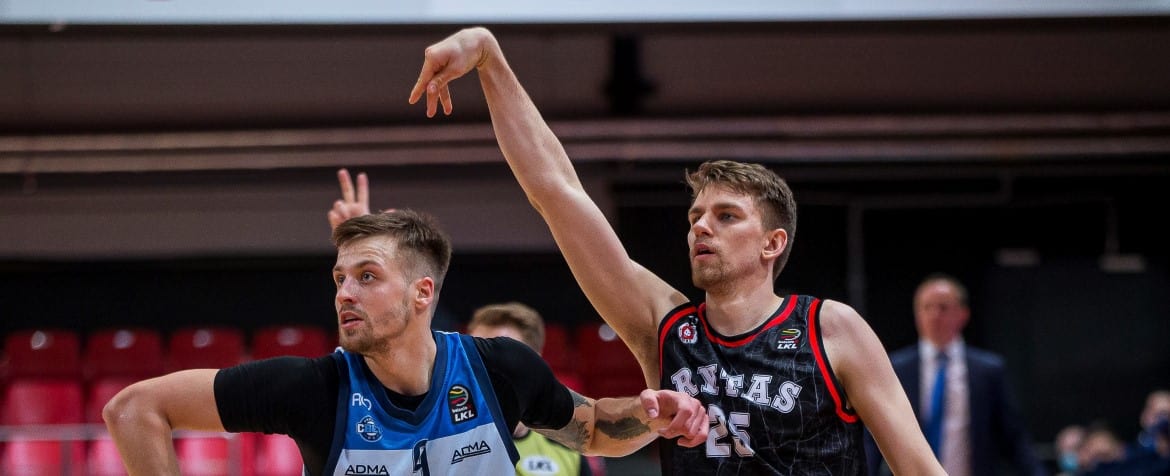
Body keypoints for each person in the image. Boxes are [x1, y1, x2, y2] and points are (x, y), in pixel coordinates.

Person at [407, 26, 944, 474]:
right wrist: (490, 58)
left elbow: (919, 468)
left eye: (726, 216)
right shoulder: (666, 326)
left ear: (772, 243)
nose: (701, 227)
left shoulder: (830, 327)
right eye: (695, 217)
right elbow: (556, 193)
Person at [103, 208, 709, 475]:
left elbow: (593, 430)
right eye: (339, 278)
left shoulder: (498, 367)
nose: (345, 293)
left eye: (366, 277)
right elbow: (134, 409)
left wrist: (647, 415)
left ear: (423, 293)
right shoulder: (312, 389)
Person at [328, 169, 604, 476]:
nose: (488, 370)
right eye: (479, 352)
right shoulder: (438, 431)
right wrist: (368, 254)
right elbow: (393, 342)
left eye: (500, 358)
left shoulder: (564, 453)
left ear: (532, 366)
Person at [864, 272, 1044, 476]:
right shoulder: (896, 368)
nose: (934, 315)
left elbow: (1014, 438)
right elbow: (874, 437)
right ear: (916, 314)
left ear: (963, 314)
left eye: (943, 307)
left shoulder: (988, 371)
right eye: (926, 307)